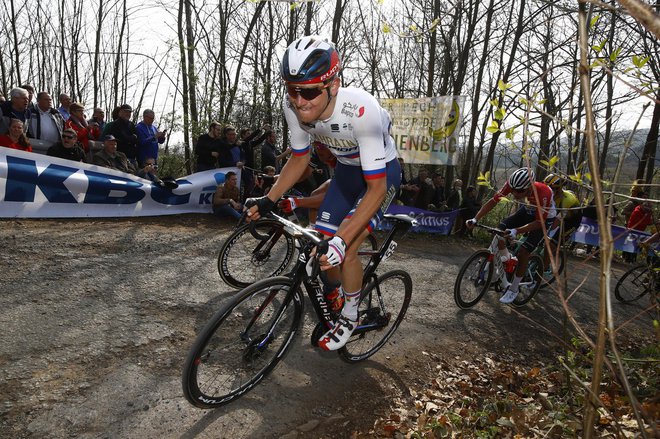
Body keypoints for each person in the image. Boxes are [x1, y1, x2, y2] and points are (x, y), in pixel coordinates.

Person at [245, 35, 401, 351]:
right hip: (345, 173)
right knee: (321, 248)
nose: (300, 101)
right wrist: (269, 198)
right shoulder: (294, 108)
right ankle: (337, 290)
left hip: (381, 174)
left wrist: (343, 240)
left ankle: (351, 314)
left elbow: (377, 187)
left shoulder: (361, 110)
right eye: (292, 90)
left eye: (310, 91)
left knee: (348, 247)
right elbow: (299, 159)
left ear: (333, 85)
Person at [466, 167, 556, 304]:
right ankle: (507, 260)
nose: (514, 193)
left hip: (543, 220)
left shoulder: (543, 193)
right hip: (527, 211)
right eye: (512, 189)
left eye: (519, 191)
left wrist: (516, 231)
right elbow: (493, 201)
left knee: (523, 252)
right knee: (499, 230)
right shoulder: (513, 185)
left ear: (529, 187)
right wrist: (475, 219)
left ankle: (513, 289)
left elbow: (539, 223)